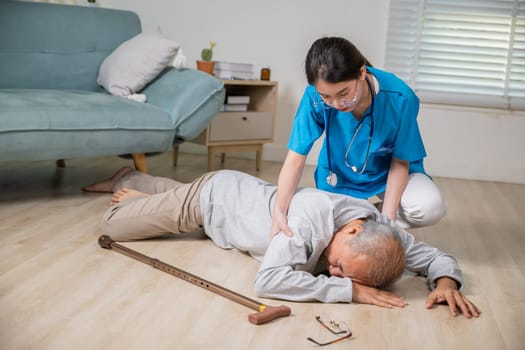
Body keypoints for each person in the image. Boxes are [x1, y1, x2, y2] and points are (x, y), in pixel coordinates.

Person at [84, 167, 480, 318]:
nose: (334, 271)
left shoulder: (383, 235)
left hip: (234, 210)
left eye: (341, 273)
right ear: (351, 231)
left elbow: (435, 257)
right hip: (211, 202)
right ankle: (137, 196)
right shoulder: (310, 219)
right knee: (115, 223)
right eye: (340, 265)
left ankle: (134, 182)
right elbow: (268, 281)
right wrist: (347, 290)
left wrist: (446, 283)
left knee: (165, 202)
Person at [271, 37, 446, 240]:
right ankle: (360, 215)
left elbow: (400, 161)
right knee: (313, 224)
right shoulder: (314, 97)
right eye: (326, 97)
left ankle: (365, 215)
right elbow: (296, 158)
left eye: (343, 92)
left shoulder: (400, 97)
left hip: (389, 175)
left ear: (362, 73)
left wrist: (387, 223)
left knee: (430, 206)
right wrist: (279, 212)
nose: (336, 103)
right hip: (339, 176)